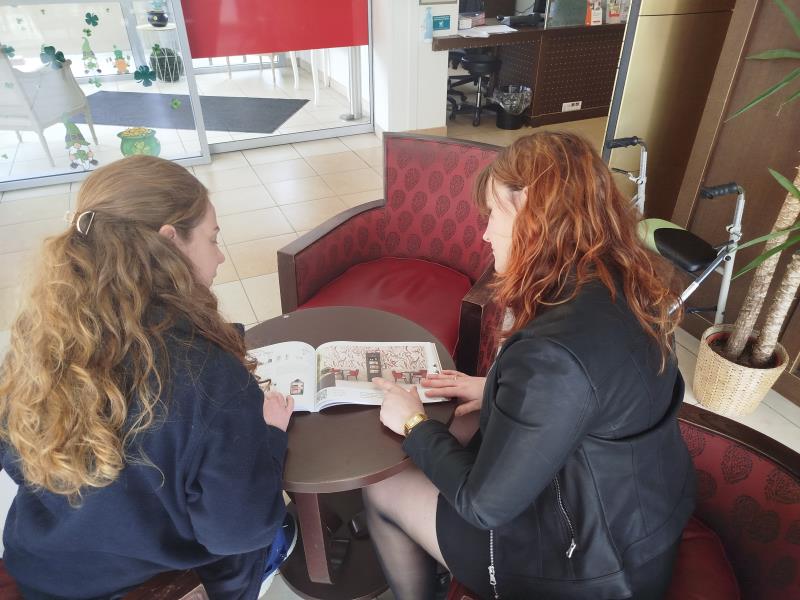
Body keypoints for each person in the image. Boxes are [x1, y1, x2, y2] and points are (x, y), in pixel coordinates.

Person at [365, 132, 696, 599]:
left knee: (383, 489)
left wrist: (413, 422)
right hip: (638, 522)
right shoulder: (628, 283)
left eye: (493, 215)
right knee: (463, 422)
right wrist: (492, 387)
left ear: (534, 218)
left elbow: (484, 506)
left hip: (591, 568)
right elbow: (597, 395)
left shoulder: (552, 353)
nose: (485, 234)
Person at [0, 156, 295, 599]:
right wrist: (268, 437)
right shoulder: (208, 374)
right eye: (213, 239)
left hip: (39, 569)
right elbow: (239, 532)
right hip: (149, 587)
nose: (220, 256)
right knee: (276, 530)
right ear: (170, 241)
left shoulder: (40, 336)